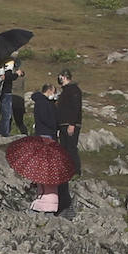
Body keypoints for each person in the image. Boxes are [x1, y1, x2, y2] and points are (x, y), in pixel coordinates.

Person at [56, 69, 82, 215]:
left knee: (71, 148)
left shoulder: (74, 90)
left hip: (71, 124)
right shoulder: (65, 91)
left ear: (66, 77)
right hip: (64, 124)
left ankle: (76, 169)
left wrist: (72, 123)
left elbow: (75, 108)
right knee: (65, 149)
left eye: (61, 77)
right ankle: (68, 169)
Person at [0, 59, 26, 137]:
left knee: (7, 117)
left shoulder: (9, 73)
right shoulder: (19, 73)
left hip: (12, 96)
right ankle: (25, 135)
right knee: (19, 122)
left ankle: (3, 134)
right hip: (19, 99)